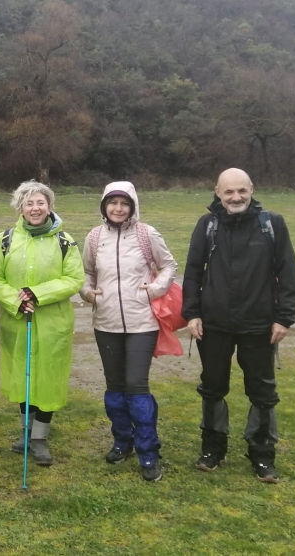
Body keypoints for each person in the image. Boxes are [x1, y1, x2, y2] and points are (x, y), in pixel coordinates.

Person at [183, 168, 295, 483]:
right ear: (217, 192)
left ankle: (262, 455)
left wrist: (284, 317)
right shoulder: (207, 225)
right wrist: (191, 314)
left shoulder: (271, 225)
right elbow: (193, 272)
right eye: (229, 192)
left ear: (252, 190)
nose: (236, 198)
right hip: (214, 325)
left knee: (262, 392)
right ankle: (213, 448)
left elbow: (288, 272)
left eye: (241, 191)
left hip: (259, 324)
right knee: (212, 388)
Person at [80, 181, 177, 482]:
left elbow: (169, 265)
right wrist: (86, 292)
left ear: (133, 206)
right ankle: (122, 441)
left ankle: (149, 453)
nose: (118, 208)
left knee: (136, 386)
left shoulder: (147, 234)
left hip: (141, 323)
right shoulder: (95, 237)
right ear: (104, 206)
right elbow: (87, 272)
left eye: (124, 203)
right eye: (113, 203)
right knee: (114, 386)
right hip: (106, 322)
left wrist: (156, 289)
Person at [0, 180, 82, 467]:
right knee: (23, 375)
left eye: (40, 202)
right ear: (20, 208)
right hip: (17, 321)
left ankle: (40, 437)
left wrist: (38, 295)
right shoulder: (5, 239)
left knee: (47, 378)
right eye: (29, 203)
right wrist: (16, 300)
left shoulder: (65, 241)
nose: (35, 208)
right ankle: (25, 433)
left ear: (49, 206)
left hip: (53, 323)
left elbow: (74, 278)